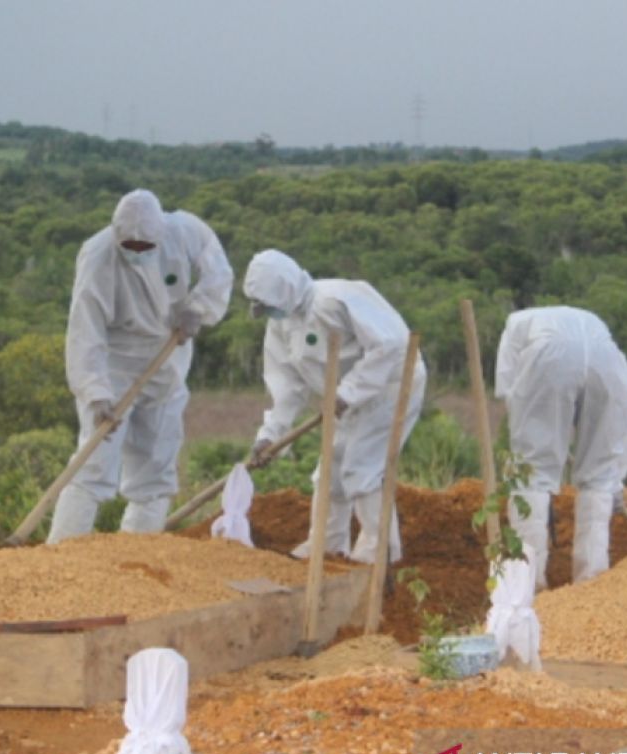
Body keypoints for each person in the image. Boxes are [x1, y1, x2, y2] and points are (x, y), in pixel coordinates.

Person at [46, 189, 233, 543]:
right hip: (116, 363)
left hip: (168, 355)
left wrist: (198, 308)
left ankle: (137, 551)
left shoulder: (186, 232)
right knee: (94, 460)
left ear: (159, 236)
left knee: (156, 462)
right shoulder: (98, 256)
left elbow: (218, 271)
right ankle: (63, 554)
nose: (136, 252)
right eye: (129, 246)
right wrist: (95, 392)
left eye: (144, 247)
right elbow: (85, 331)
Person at [243, 249, 426, 564]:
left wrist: (349, 393)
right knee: (331, 469)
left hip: (390, 386)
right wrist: (270, 434)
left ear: (284, 290)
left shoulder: (335, 299)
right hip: (344, 399)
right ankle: (326, 545)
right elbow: (287, 386)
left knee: (361, 466)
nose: (268, 312)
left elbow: (391, 344)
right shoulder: (281, 324)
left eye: (268, 304)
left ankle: (379, 552)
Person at [494, 306, 627, 588]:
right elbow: (616, 429)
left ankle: (529, 584)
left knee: (529, 472)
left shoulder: (515, 324)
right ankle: (591, 581)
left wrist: (542, 438)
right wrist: (615, 481)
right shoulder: (594, 324)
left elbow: (510, 393)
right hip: (608, 362)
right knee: (600, 479)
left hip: (548, 355)